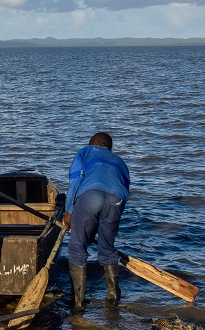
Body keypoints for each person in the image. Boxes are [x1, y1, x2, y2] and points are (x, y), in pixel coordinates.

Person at [62, 132, 130, 310]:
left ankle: (78, 304)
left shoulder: (86, 151)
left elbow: (76, 180)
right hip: (116, 199)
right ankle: (113, 299)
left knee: (77, 247)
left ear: (92, 143)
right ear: (109, 147)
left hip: (91, 194)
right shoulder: (119, 161)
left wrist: (69, 211)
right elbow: (125, 189)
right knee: (107, 249)